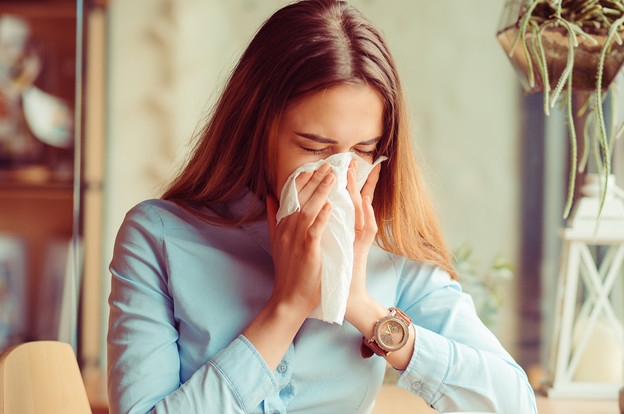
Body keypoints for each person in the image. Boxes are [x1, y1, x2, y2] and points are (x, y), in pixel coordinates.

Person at [106, 1, 538, 413]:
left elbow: (514, 404)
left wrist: (362, 307)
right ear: (258, 131)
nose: (339, 174)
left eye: (363, 151)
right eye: (314, 148)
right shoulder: (158, 238)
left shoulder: (390, 246)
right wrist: (287, 308)